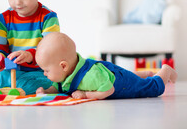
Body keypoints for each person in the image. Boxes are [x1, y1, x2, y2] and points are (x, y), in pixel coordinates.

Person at [35, 32, 178, 99]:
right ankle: (144, 74)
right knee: (125, 73)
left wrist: (86, 94)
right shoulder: (66, 74)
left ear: (63, 66)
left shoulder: (90, 77)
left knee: (150, 89)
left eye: (46, 70)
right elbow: (59, 87)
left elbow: (108, 90)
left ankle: (165, 71)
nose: (44, 74)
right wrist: (47, 91)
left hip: (119, 84)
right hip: (109, 73)